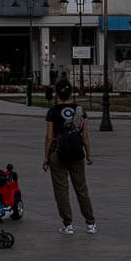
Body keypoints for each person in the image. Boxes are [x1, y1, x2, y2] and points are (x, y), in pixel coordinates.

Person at [43, 79, 96, 235]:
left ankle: (68, 224)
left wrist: (46, 157)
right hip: (77, 154)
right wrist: (89, 155)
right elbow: (85, 136)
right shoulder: (81, 110)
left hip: (57, 154)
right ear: (71, 93)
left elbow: (49, 137)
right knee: (81, 188)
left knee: (61, 190)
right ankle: (90, 223)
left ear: (57, 93)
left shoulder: (52, 111)